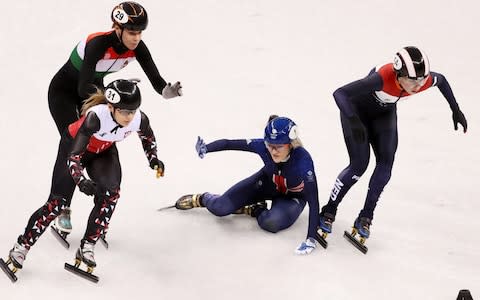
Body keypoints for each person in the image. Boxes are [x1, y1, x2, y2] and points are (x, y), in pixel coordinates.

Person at [4, 79, 164, 275]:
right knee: (58, 203)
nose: (129, 117)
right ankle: (21, 248)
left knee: (110, 193)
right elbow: (74, 156)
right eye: (123, 111)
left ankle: (87, 246)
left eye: (132, 111)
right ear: (111, 107)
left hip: (103, 151)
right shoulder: (96, 118)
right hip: (73, 147)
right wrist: (81, 180)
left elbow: (148, 138)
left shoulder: (140, 119)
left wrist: (154, 159)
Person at [48, 1, 181, 234]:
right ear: (117, 28)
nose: (136, 38)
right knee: (73, 145)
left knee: (99, 144)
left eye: (139, 32)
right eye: (131, 32)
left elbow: (154, 75)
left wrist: (165, 91)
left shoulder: (138, 47)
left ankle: (100, 201)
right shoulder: (98, 43)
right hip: (66, 92)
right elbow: (82, 89)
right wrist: (113, 96)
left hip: (95, 90)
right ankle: (62, 205)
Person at [318, 46, 468, 241]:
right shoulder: (381, 77)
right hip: (356, 112)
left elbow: (442, 81)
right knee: (359, 164)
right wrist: (353, 121)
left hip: (384, 114)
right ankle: (329, 210)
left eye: (423, 79)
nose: (419, 85)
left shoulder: (421, 79)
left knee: (386, 165)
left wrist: (455, 110)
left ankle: (366, 216)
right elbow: (340, 93)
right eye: (414, 80)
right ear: (399, 74)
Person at [174, 116, 321, 255]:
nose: (273, 151)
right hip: (266, 183)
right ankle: (202, 198)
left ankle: (256, 209)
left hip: (292, 198)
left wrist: (311, 239)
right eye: (270, 145)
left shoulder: (303, 161)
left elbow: (314, 201)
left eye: (278, 147)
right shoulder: (263, 146)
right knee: (220, 207)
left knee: (271, 223)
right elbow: (230, 143)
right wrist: (207, 147)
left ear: (291, 144)